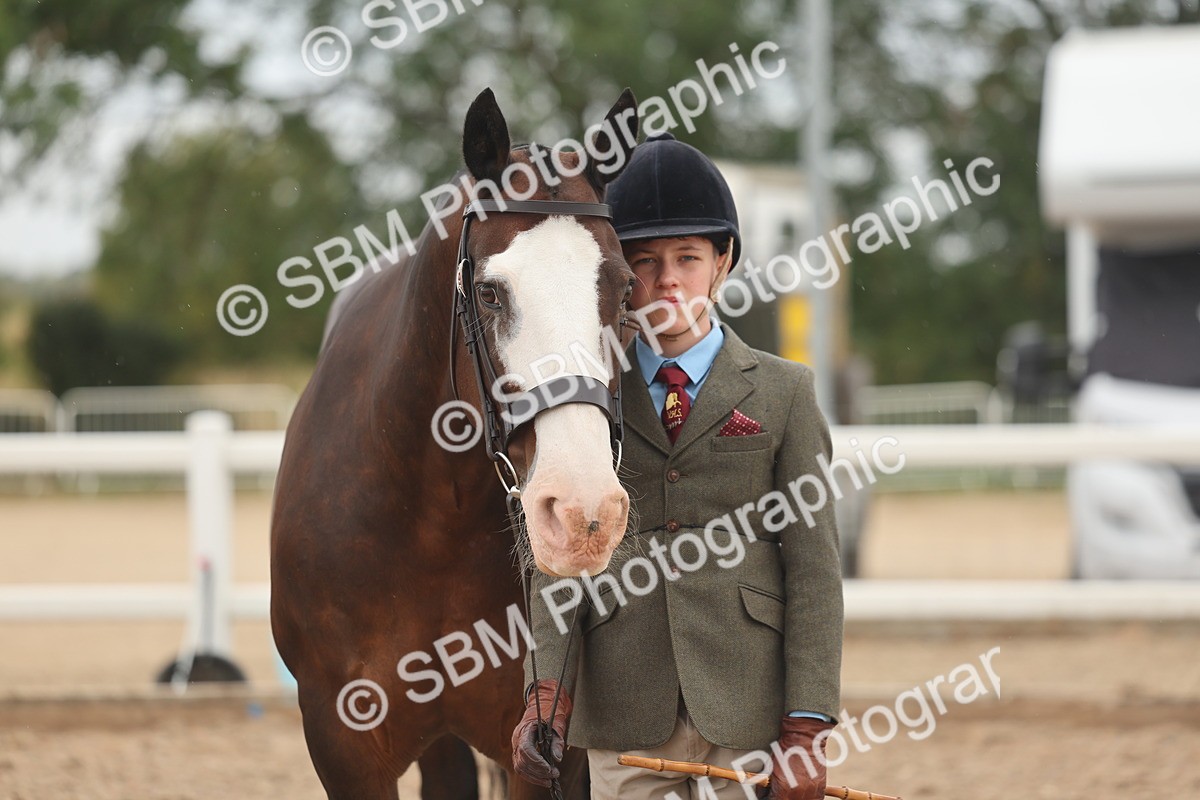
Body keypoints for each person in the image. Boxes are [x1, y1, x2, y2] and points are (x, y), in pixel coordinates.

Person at [512, 132, 844, 800]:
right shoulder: (588, 398)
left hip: (746, 700)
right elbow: (558, 560)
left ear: (722, 263)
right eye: (645, 261)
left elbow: (813, 569)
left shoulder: (785, 394)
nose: (666, 280)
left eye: (687, 258)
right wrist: (546, 690)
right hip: (626, 703)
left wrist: (808, 727)